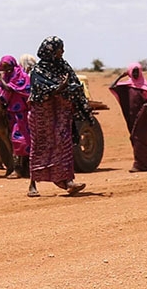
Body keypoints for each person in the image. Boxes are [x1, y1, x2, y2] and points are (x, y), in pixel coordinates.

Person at [26, 36, 94, 197]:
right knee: (40, 146)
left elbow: (76, 84)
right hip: (42, 116)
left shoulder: (63, 67)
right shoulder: (37, 71)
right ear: (50, 51)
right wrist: (59, 87)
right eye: (59, 49)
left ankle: (68, 181)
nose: (62, 52)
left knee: (64, 144)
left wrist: (68, 88)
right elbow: (41, 90)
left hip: (62, 114)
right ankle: (32, 184)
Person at [109, 62, 147, 172]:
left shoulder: (145, 87)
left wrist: (146, 106)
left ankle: (140, 165)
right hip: (132, 119)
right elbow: (112, 87)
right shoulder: (127, 86)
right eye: (133, 71)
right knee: (134, 139)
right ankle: (146, 164)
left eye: (137, 71)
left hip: (144, 120)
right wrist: (122, 76)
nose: (135, 74)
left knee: (142, 139)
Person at [0, 55, 31, 179]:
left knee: (19, 140)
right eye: (4, 67)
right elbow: (3, 92)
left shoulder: (21, 76)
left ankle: (18, 169)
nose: (6, 69)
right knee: (13, 139)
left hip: (22, 113)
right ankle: (22, 168)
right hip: (11, 113)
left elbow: (10, 88)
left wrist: (0, 80)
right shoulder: (7, 76)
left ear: (13, 64)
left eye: (7, 66)